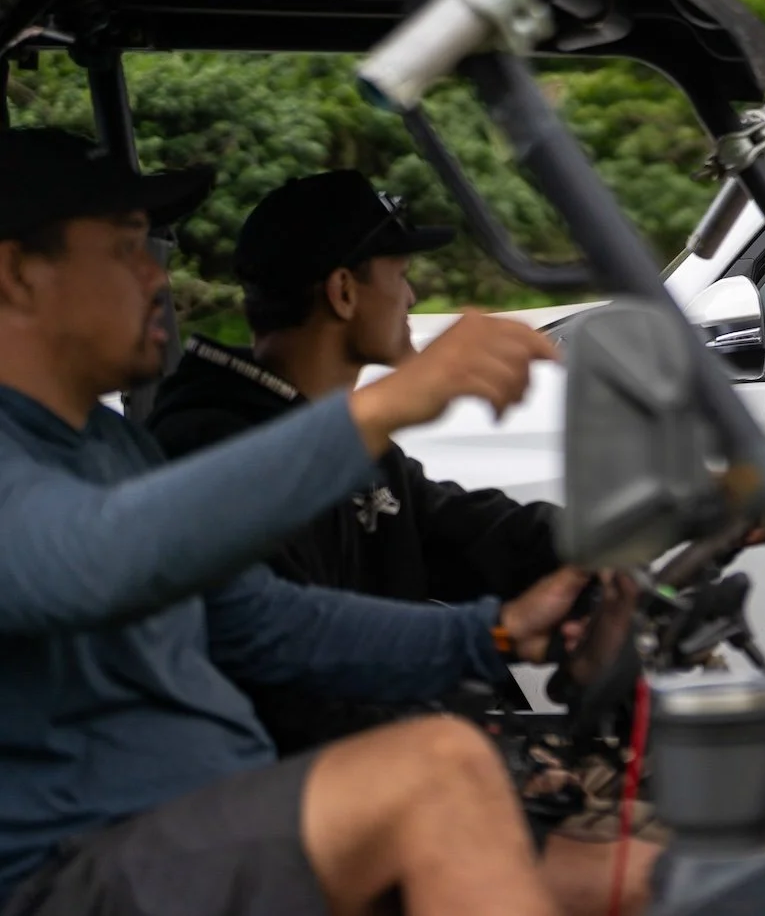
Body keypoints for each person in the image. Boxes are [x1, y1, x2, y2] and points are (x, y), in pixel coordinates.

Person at [0, 128, 654, 916]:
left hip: (205, 829)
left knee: (661, 869)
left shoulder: (114, 446)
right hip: (72, 873)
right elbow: (94, 552)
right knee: (442, 771)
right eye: (124, 248)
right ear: (16, 273)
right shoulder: (113, 457)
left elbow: (262, 621)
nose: (157, 276)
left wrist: (497, 634)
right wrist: (386, 406)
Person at [148, 170, 564, 754]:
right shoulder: (215, 449)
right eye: (401, 274)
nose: (411, 298)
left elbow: (466, 530)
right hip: (309, 779)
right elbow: (286, 677)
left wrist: (601, 544)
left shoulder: (337, 437)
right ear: (343, 291)